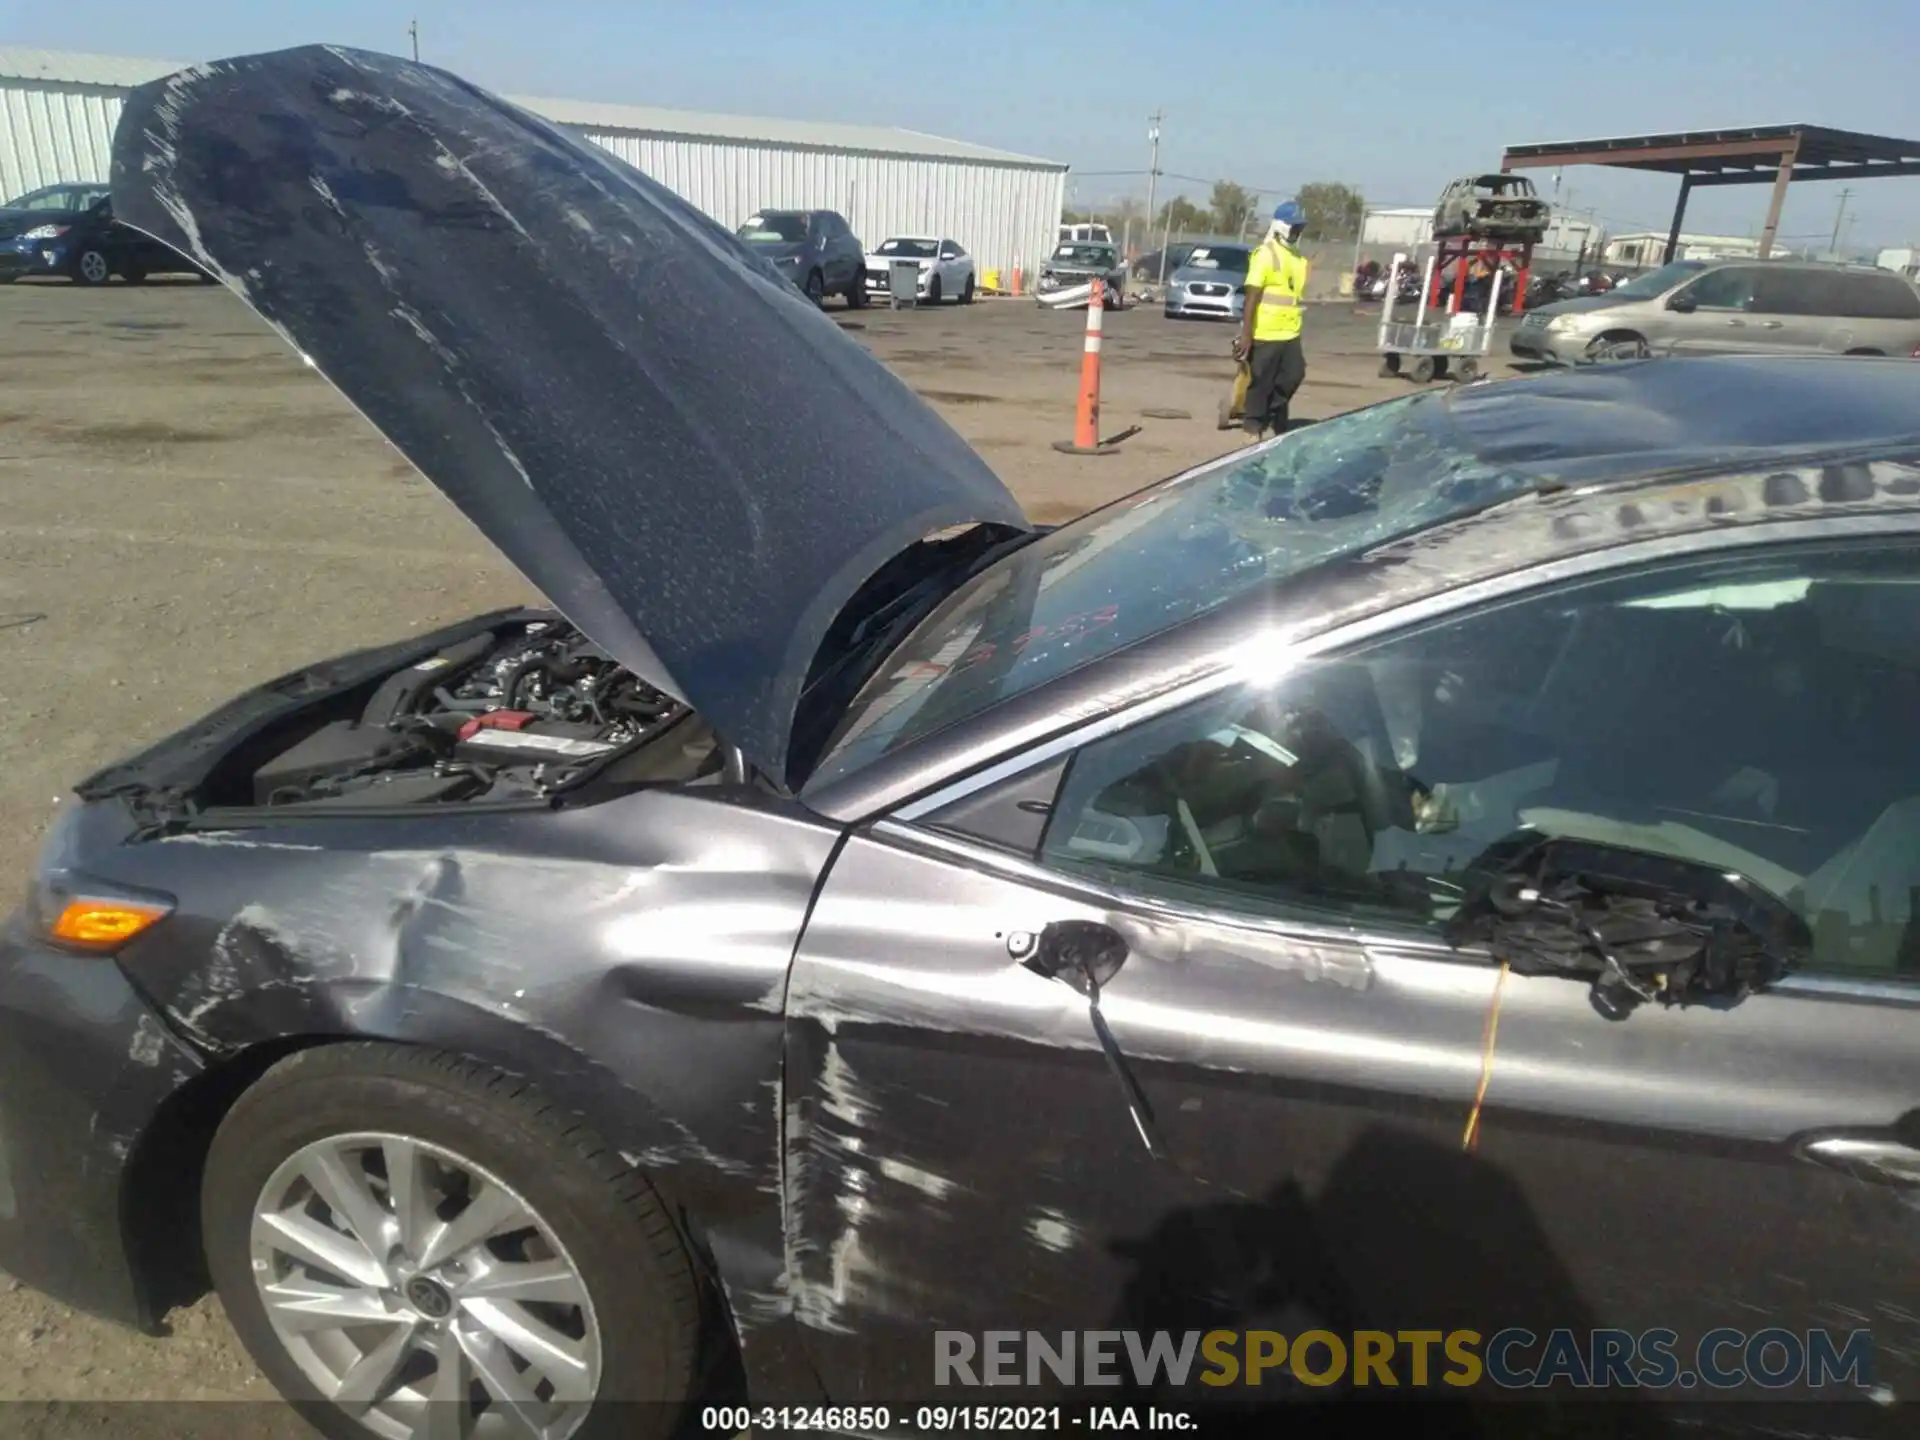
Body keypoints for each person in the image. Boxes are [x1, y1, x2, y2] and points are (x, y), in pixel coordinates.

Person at [1234, 200, 1310, 440]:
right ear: (1281, 227)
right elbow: (1252, 296)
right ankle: (1253, 424)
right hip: (1265, 331)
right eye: (1294, 227)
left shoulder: (1298, 258)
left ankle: (1273, 412)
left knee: (1293, 375)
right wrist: (1246, 334)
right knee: (1261, 380)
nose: (1297, 232)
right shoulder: (1265, 254)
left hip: (1290, 331)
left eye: (1300, 228)